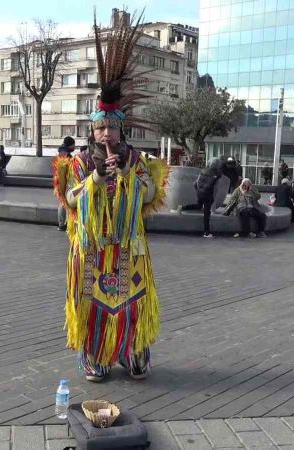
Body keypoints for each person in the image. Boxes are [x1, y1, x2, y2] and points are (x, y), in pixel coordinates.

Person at [52, 16, 168, 383]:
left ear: (121, 128)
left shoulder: (136, 159)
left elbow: (150, 194)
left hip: (127, 248)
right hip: (92, 249)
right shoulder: (79, 162)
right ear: (92, 129)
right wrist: (97, 179)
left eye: (112, 127)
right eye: (100, 128)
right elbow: (69, 201)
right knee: (92, 302)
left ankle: (135, 350)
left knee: (132, 303)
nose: (106, 134)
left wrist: (129, 179)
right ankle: (97, 353)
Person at [184, 166, 219, 237]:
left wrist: (199, 191)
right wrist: (215, 178)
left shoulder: (201, 175)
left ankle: (182, 207)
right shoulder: (213, 177)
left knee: (198, 206)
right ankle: (206, 232)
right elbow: (209, 186)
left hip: (200, 194)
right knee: (206, 213)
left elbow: (194, 184)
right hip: (207, 196)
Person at [57, 137, 76, 230]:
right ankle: (64, 224)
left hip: (62, 180)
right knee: (65, 202)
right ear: (70, 144)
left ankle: (62, 224)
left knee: (63, 202)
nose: (74, 146)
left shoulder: (63, 152)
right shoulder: (65, 154)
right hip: (64, 181)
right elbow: (63, 169)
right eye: (73, 144)